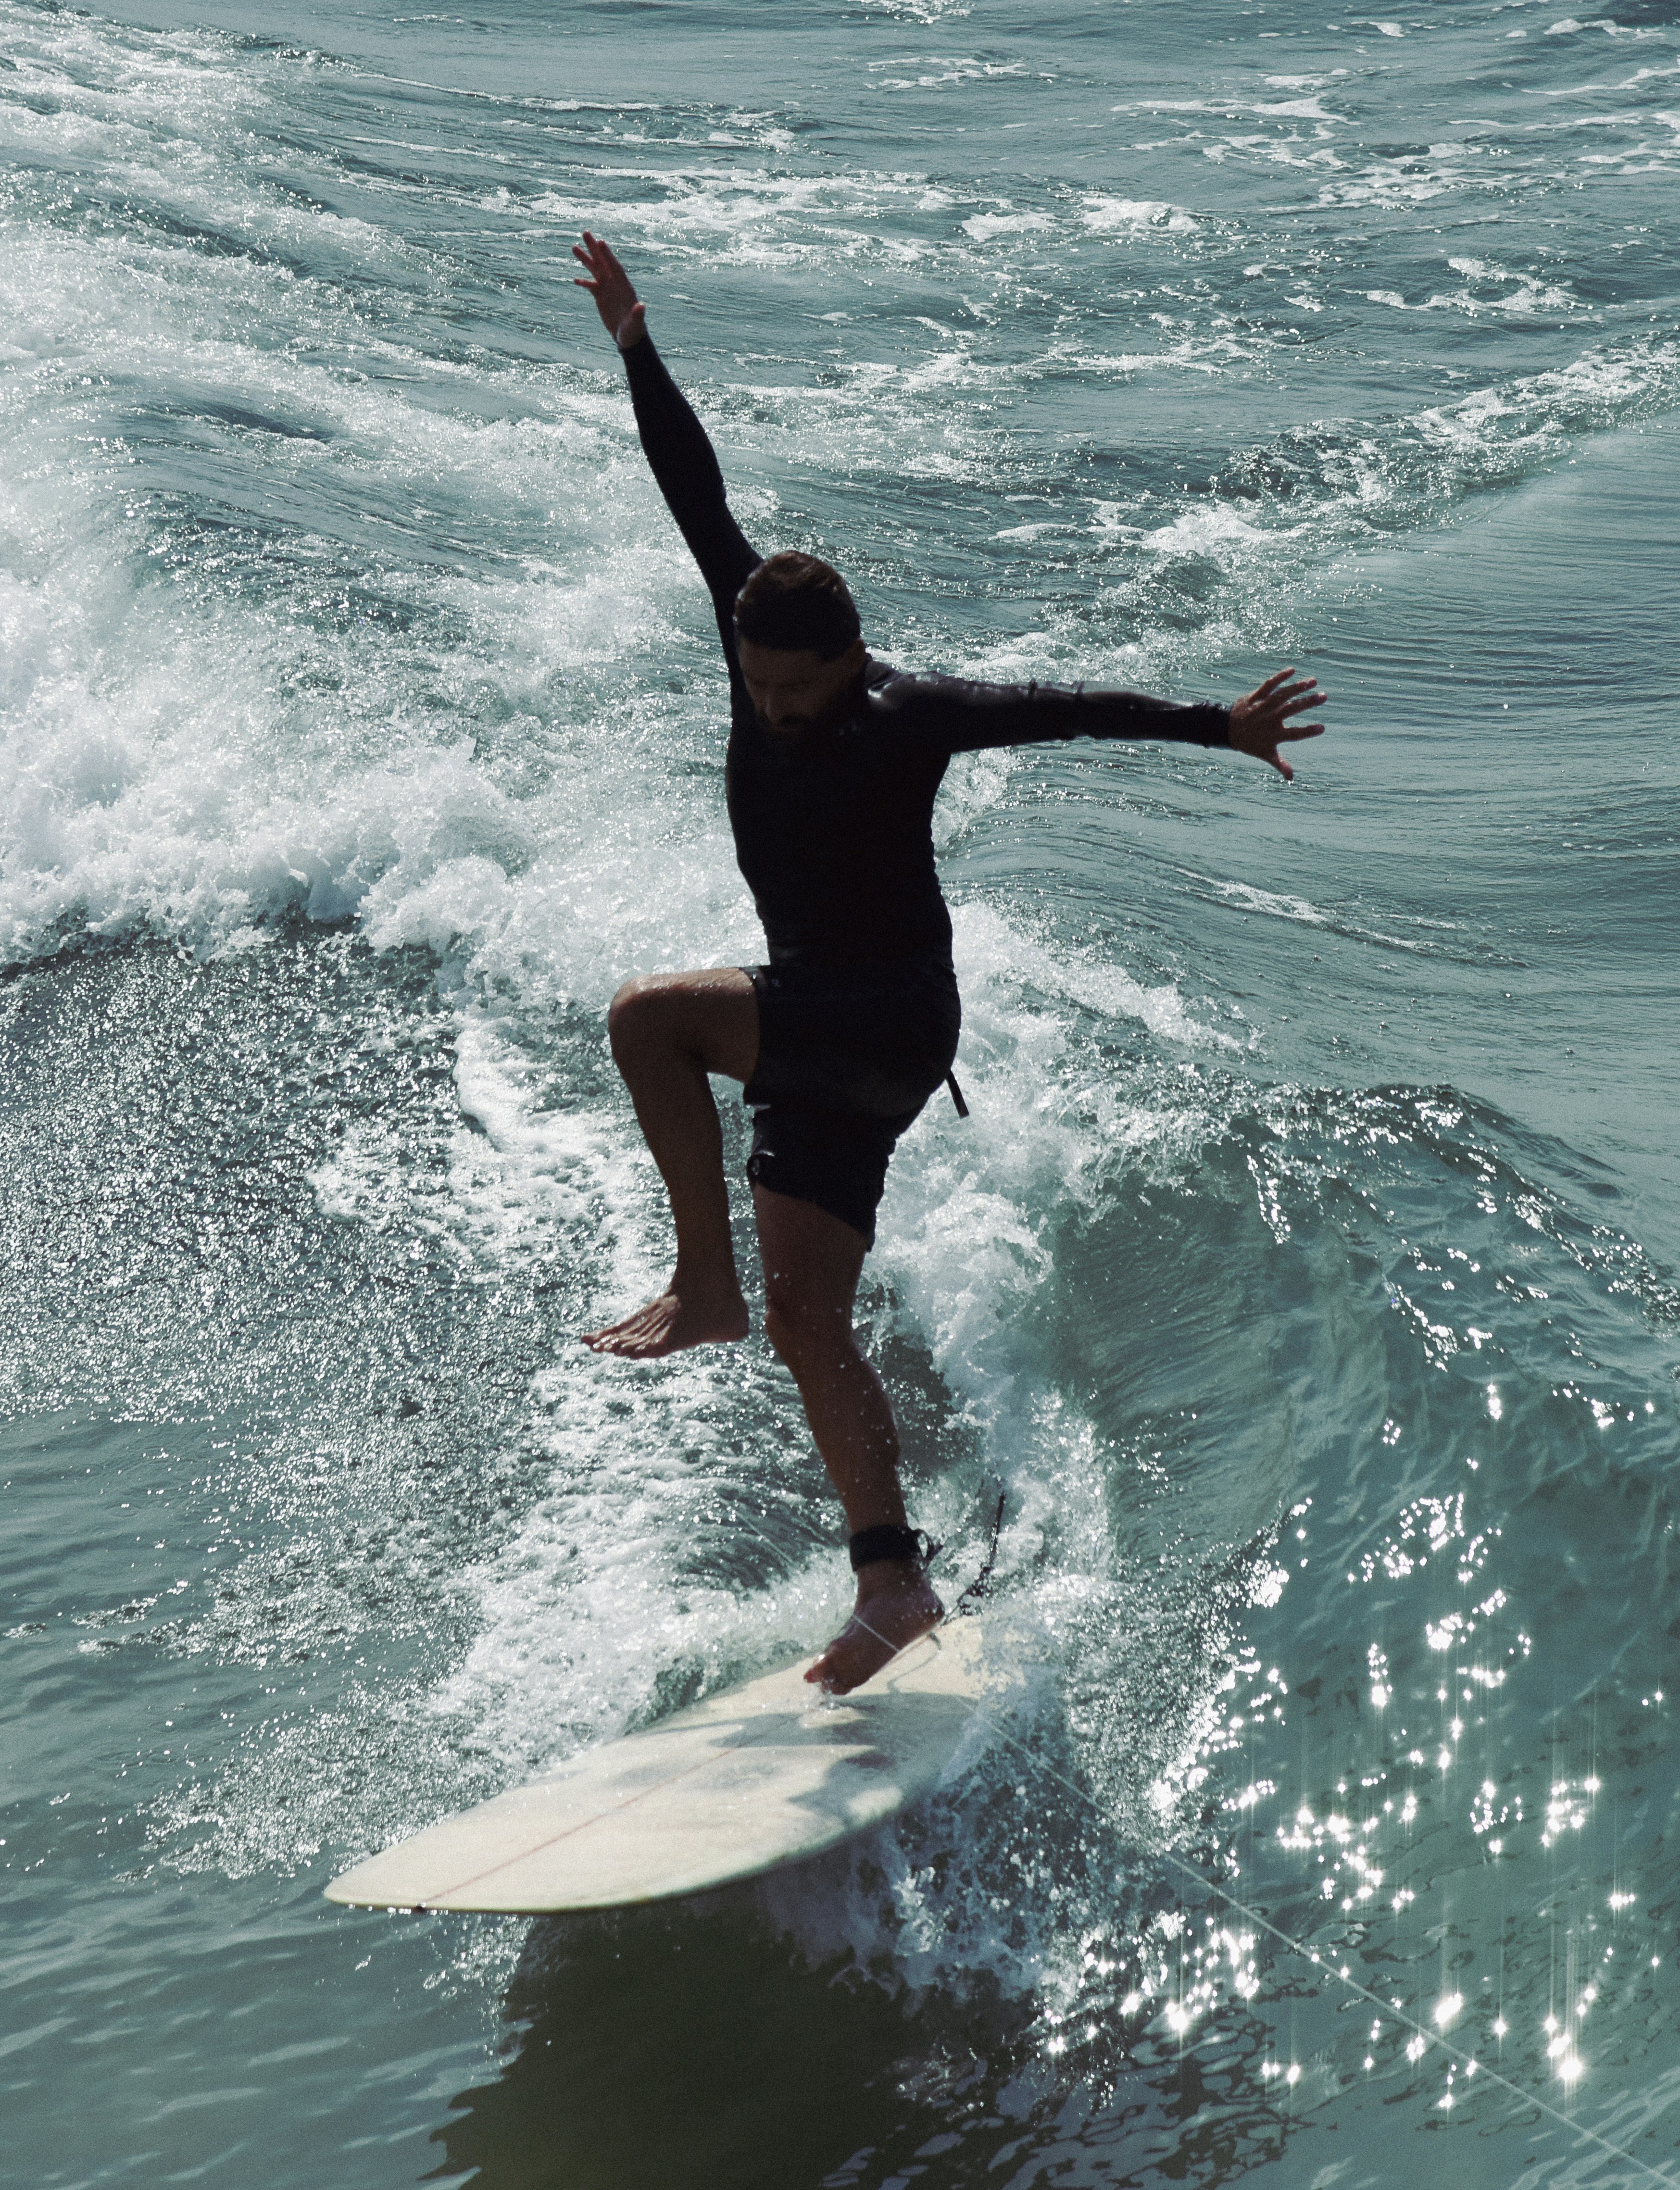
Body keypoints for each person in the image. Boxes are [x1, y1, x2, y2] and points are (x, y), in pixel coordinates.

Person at [568, 231, 1328, 1693]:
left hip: (887, 1019)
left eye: (797, 690)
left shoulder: (905, 714)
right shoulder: (750, 635)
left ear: (852, 663)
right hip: (822, 1038)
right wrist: (637, 348)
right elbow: (693, 490)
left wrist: (1215, 728)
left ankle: (700, 1284)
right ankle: (891, 1585)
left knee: (649, 1019)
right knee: (811, 1323)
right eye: (756, 685)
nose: (773, 709)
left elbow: (1063, 706)